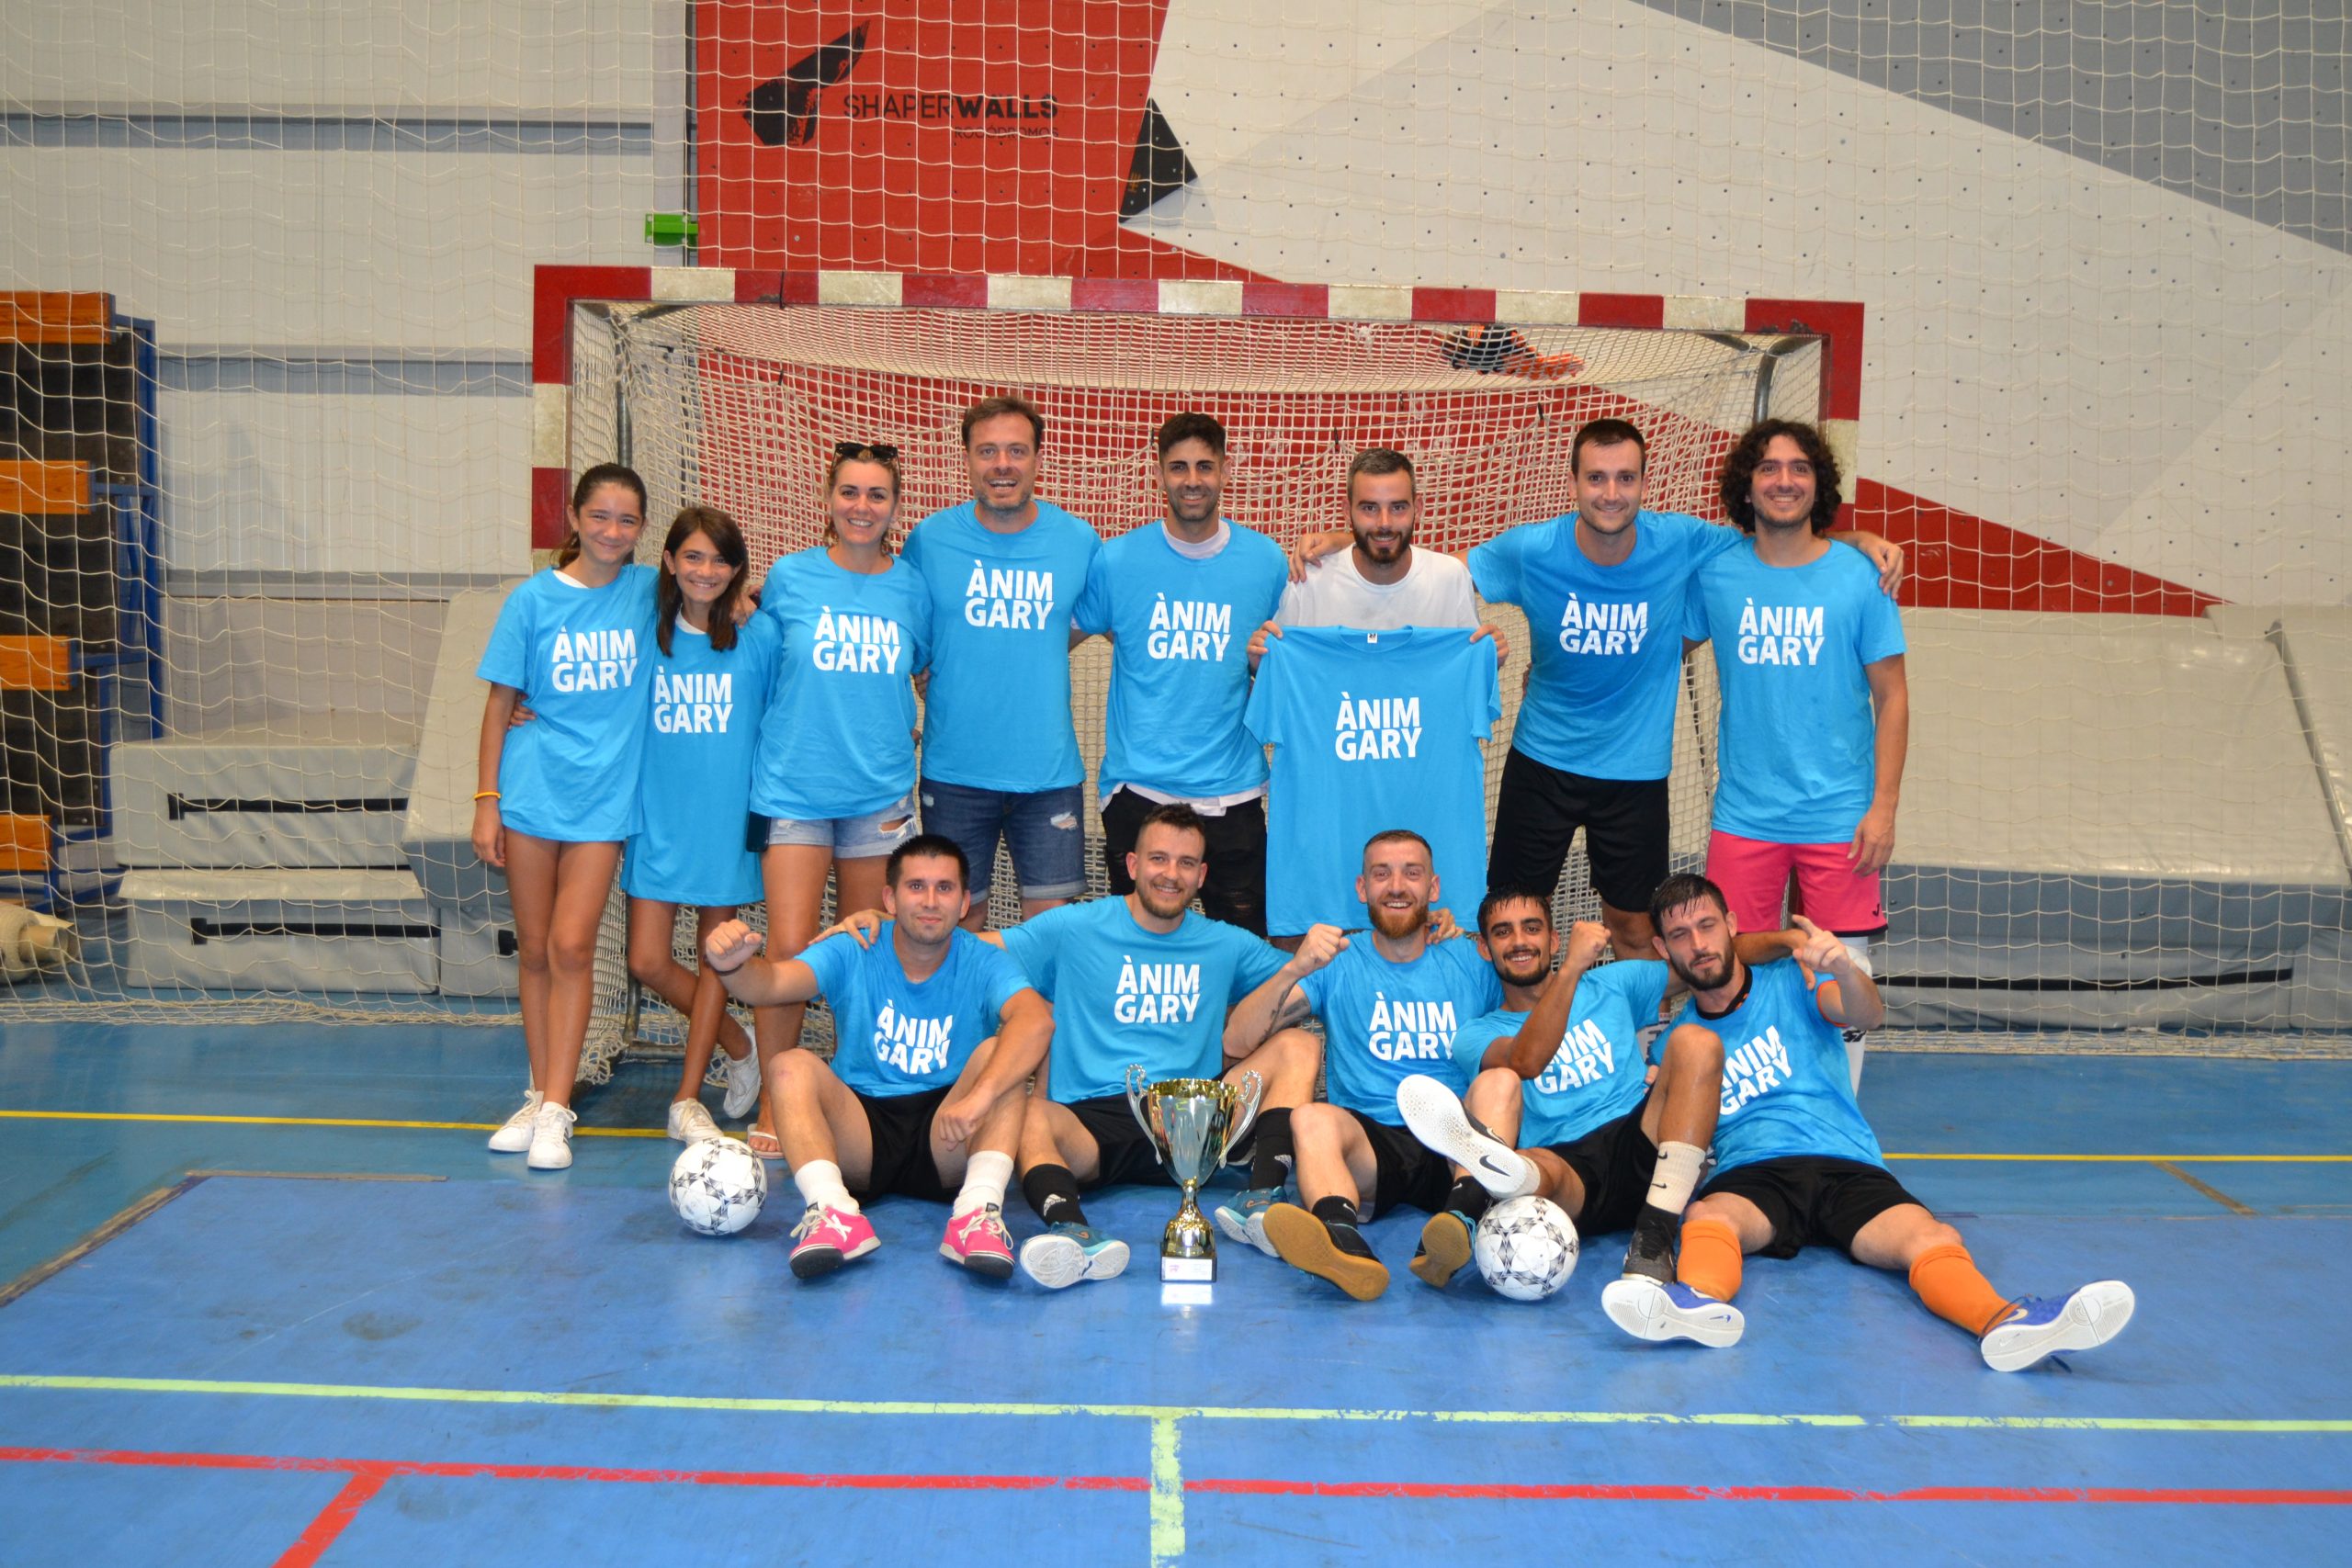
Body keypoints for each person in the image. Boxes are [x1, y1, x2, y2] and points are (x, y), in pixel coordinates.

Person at [1285, 420, 1900, 961]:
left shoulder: (1683, 541)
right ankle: (1505, 1032)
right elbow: (1434, 571)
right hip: (1542, 762)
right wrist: (1350, 543)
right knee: (1508, 917)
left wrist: (1856, 542)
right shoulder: (1532, 549)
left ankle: (1639, 1041)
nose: (1611, 493)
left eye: (1625, 478)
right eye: (1597, 478)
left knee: (1636, 928)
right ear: (1574, 483)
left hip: (1636, 774)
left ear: (1644, 483)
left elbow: (1779, 539)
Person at [1608, 874, 2134, 1372]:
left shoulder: (1793, 979)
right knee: (1708, 1217)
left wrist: (1843, 968)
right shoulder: (1679, 1040)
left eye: (1707, 926)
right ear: (1663, 949)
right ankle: (1697, 1303)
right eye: (1680, 935)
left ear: (1732, 925)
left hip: (1845, 1162)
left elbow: (1866, 1015)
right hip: (1754, 1174)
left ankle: (2004, 1322)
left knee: (1930, 1235)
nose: (1698, 944)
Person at [1394, 891, 1796, 1294]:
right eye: (1503, 932)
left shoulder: (1613, 983)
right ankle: (1497, 1177)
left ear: (1553, 939)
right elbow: (1525, 1061)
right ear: (1485, 948)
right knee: (1512, 1116)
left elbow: (1705, 957)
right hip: (1567, 1170)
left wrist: (1790, 941)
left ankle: (1653, 1239)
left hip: (1641, 1141)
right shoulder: (1476, 1033)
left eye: (1531, 928)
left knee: (1697, 1042)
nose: (1519, 941)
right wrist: (1571, 969)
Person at [1000, 804, 1321, 1288]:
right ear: (1132, 865)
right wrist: (889, 927)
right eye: (1159, 859)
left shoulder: (1225, 943)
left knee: (1298, 1045)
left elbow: (1326, 975)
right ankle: (1072, 1234)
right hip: (1091, 1120)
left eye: (1186, 863)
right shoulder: (1072, 927)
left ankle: (1261, 1203)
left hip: (1193, 1120)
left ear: (1201, 876)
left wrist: (1421, 935)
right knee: (1025, 1114)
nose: (1171, 874)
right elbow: (974, 952)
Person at [702, 834, 1052, 1280]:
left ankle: (976, 1214)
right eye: (916, 886)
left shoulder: (982, 960)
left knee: (999, 1053)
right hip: (861, 1133)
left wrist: (980, 1098)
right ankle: (833, 1213)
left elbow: (1036, 1021)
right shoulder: (855, 946)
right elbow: (770, 985)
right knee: (788, 1065)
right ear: (889, 898)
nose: (930, 901)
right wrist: (732, 964)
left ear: (965, 902)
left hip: (950, 1131)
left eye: (944, 888)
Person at [1685, 419, 1908, 1089]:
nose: (1785, 481)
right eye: (1769, 468)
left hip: (1839, 814)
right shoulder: (1717, 573)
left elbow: (1893, 697)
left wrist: (1883, 809)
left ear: (1819, 483)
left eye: (1800, 468)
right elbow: (1656, 651)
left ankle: (1839, 1117)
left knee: (1842, 966)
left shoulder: (1860, 577)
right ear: (1747, 485)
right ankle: (1744, 1106)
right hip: (1745, 813)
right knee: (1731, 965)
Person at [744, 443, 933, 1152]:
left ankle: (856, 1096)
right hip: (794, 788)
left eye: (877, 494)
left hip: (878, 795)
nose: (862, 506)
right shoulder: (789, 578)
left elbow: (922, 670)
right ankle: (777, 1099)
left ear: (895, 506)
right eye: (849, 492)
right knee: (791, 949)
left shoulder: (911, 588)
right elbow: (746, 652)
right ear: (828, 499)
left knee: (866, 952)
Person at [472, 464, 658, 1169]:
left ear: (642, 530)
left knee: (573, 946)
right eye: (600, 515)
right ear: (575, 518)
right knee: (536, 947)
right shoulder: (531, 600)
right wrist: (486, 801)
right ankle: (538, 1090)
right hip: (531, 791)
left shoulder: (649, 591)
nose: (612, 530)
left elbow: (717, 585)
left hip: (603, 802)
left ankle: (557, 1109)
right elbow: (499, 703)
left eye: (627, 519)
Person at [1228, 830, 1503, 1302]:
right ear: (1362, 888)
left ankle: (1461, 1218)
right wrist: (1295, 968)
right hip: (1373, 1149)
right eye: (1382, 874)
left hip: (1455, 1141)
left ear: (1433, 887)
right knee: (1310, 1118)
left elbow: (1530, 1016)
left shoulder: (1470, 958)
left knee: (1499, 1081)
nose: (1396, 886)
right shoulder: (1339, 961)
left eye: (1411, 873)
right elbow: (1236, 1039)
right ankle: (1341, 1241)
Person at [1073, 412, 1288, 934]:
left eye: (1204, 466)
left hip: (1231, 792)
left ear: (1226, 470)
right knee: (1137, 952)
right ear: (1159, 473)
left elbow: (1288, 672)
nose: (1192, 480)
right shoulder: (1117, 560)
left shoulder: (1267, 562)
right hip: (1139, 791)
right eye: (1178, 467)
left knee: (1243, 956)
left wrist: (1262, 669)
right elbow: (1049, 643)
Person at [901, 397, 1101, 929]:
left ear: (1038, 459)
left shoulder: (1078, 540)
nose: (1002, 464)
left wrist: (1038, 647)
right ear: (967, 458)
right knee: (957, 928)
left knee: (1048, 933)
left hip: (1047, 773)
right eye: (987, 451)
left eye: (1016, 450)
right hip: (955, 772)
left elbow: (1099, 617)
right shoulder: (929, 540)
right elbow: (900, 621)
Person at [621, 505, 775, 1143]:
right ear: (669, 561)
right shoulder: (642, 629)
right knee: (647, 958)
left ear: (736, 569)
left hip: (726, 820)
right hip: (657, 818)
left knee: (717, 958)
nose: (705, 570)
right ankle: (739, 1044)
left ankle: (687, 1098)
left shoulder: (758, 637)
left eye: (719, 560)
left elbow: (804, 695)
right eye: (693, 556)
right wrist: (524, 702)